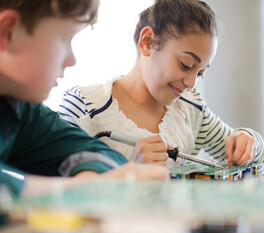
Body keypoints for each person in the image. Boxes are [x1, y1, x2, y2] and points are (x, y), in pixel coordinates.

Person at [59, 0, 264, 168]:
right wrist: (129, 173)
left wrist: (249, 141)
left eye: (201, 73)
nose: (191, 83)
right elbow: (57, 185)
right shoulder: (84, 107)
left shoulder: (191, 110)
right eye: (186, 65)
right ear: (147, 42)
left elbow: (257, 158)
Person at [0, 0, 169, 199]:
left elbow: (101, 154)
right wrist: (89, 187)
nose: (72, 60)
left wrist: (95, 181)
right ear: (8, 32)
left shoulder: (19, 109)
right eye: (65, 38)